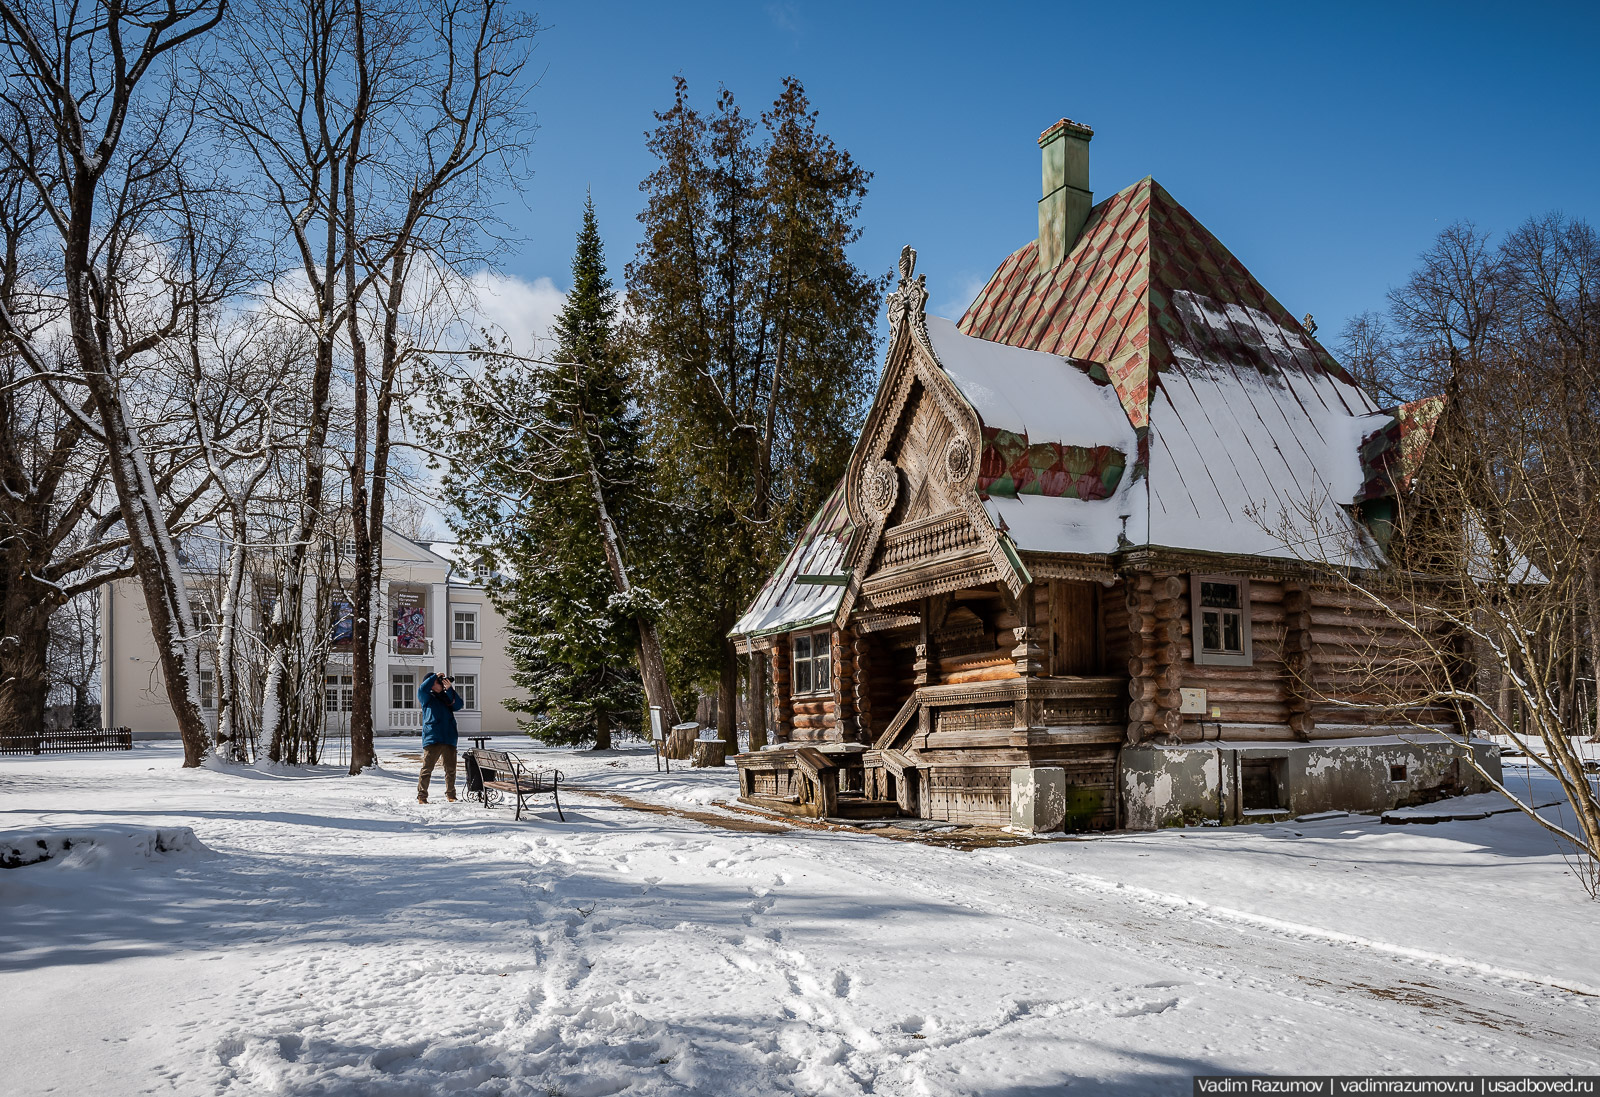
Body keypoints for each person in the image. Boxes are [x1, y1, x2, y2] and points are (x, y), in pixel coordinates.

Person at [416, 671, 464, 804]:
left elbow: (459, 705)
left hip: (449, 737)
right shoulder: (426, 697)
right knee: (427, 769)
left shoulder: (446, 697)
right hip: (433, 737)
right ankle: (422, 796)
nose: (441, 684)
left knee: (451, 770)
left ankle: (451, 795)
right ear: (431, 684)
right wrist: (434, 677)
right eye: (439, 682)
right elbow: (422, 688)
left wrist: (449, 689)